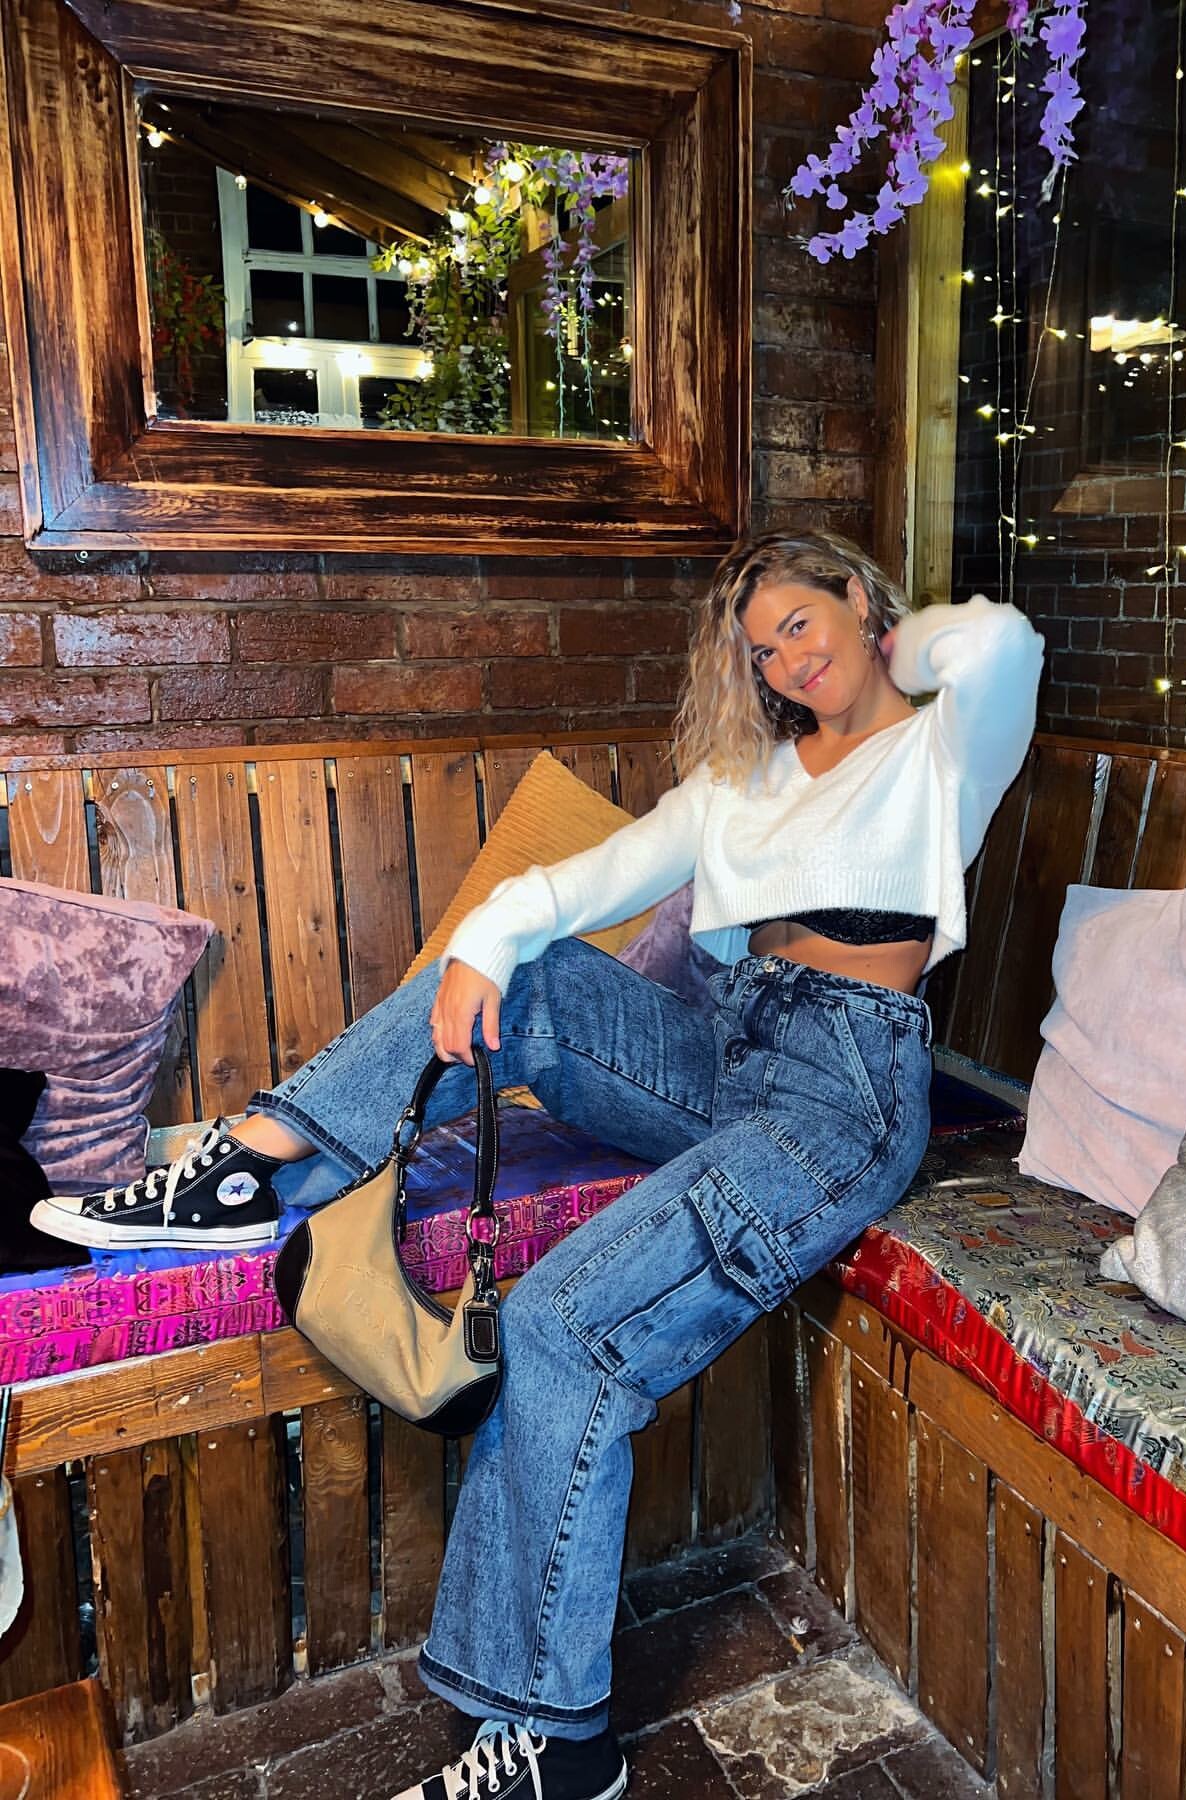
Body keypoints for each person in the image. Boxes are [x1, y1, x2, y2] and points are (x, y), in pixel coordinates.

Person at [31, 530, 1043, 1800]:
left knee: (564, 1323)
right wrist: (486, 944)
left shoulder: (945, 749)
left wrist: (901, 644)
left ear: (857, 598)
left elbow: (1001, 642)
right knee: (542, 973)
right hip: (729, 1060)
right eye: (762, 650)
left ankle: (561, 1748)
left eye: (801, 624)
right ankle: (253, 1171)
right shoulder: (748, 779)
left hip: (840, 1102)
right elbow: (592, 879)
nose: (788, 663)